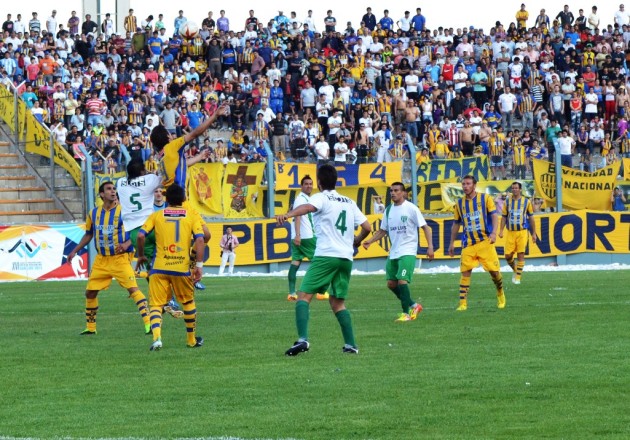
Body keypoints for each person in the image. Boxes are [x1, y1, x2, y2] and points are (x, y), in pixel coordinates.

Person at [275, 164, 372, 356]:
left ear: (319, 182)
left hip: (327, 255)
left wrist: (287, 214)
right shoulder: (349, 201)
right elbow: (367, 227)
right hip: (345, 258)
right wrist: (357, 242)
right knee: (337, 303)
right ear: (335, 181)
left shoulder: (321, 197)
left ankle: (302, 340)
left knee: (303, 297)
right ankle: (350, 345)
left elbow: (307, 207)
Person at [150, 103, 228, 290]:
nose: (173, 135)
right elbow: (196, 132)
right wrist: (214, 115)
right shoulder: (173, 147)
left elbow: (180, 167)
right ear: (168, 137)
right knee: (198, 239)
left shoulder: (162, 157)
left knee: (202, 237)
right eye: (170, 133)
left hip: (174, 202)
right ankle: (191, 274)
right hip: (181, 204)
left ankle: (188, 272)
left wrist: (199, 158)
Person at [67, 182, 151, 335]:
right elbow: (88, 234)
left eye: (114, 189)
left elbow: (138, 231)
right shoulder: (93, 214)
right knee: (90, 293)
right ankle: (91, 328)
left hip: (120, 258)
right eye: (109, 189)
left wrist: (127, 243)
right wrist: (74, 251)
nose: (113, 191)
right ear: (101, 194)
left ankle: (149, 324)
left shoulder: (124, 211)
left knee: (133, 289)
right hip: (101, 260)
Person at [136, 184, 205, 351]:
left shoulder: (156, 215)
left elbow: (140, 235)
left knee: (156, 305)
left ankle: (157, 338)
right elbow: (201, 240)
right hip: (181, 268)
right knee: (188, 302)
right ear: (183, 199)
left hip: (159, 267)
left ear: (166, 199)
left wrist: (141, 255)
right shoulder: (191, 216)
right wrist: (199, 265)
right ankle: (191, 340)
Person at [116, 159, 183, 318]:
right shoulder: (150, 179)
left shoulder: (120, 183)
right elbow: (165, 175)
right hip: (152, 226)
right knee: (168, 258)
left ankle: (164, 300)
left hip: (135, 232)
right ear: (142, 172)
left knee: (152, 270)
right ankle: (174, 294)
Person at [362, 182, 434, 322]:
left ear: (403, 193)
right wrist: (370, 241)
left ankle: (405, 314)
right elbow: (383, 230)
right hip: (394, 251)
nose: (393, 193)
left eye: (396, 190)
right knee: (391, 284)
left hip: (408, 250)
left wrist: (430, 246)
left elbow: (425, 228)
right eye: (391, 191)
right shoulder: (388, 210)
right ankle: (414, 305)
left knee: (402, 281)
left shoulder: (411, 209)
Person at [448, 175, 506, 311]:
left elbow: (493, 216)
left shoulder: (485, 198)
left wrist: (493, 233)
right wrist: (451, 243)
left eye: (468, 184)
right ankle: (462, 304)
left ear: (474, 185)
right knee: (465, 272)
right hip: (468, 243)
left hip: (485, 241)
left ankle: (500, 293)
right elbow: (456, 224)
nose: (465, 186)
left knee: (494, 272)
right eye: (463, 184)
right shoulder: (459, 204)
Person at [287, 175, 329, 301]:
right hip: (306, 237)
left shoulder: (302, 198)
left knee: (295, 263)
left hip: (297, 237)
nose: (309, 186)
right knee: (321, 263)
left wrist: (296, 235)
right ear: (301, 186)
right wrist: (299, 235)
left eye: (311, 184)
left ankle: (291, 293)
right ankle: (321, 292)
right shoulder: (301, 200)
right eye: (306, 184)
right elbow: (298, 216)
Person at [498, 182, 537, 285]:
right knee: (507, 255)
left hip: (522, 232)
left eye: (516, 188)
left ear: (520, 189)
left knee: (521, 254)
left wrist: (534, 233)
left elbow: (532, 218)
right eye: (513, 188)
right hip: (510, 232)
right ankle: (515, 270)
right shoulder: (507, 202)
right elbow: (504, 217)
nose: (514, 190)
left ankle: (518, 278)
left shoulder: (526, 202)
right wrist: (501, 230)